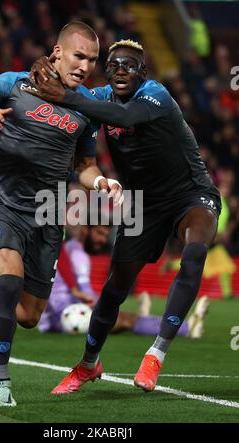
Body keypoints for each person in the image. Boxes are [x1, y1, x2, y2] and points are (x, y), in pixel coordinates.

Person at [0, 21, 123, 407]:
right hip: (3, 203)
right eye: (79, 56)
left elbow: (85, 166)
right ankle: (0, 381)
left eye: (92, 60)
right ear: (58, 52)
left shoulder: (86, 108)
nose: (85, 66)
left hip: (47, 216)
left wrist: (102, 183)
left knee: (29, 316)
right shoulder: (11, 83)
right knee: (9, 284)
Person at [30, 39, 221, 394]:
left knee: (194, 254)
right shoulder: (99, 97)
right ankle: (88, 364)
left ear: (143, 72)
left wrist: (67, 96)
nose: (121, 70)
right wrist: (46, 75)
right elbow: (66, 95)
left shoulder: (156, 94)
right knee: (116, 288)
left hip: (190, 194)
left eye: (129, 65)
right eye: (114, 64)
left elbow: (126, 117)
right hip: (142, 205)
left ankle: (156, 354)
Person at [38, 224, 209, 338]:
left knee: (122, 316)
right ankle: (186, 328)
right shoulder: (79, 255)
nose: (103, 240)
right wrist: (107, 307)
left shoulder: (69, 248)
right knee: (124, 319)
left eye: (106, 235)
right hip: (67, 315)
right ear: (85, 230)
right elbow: (86, 294)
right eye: (99, 233)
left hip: (54, 315)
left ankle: (170, 322)